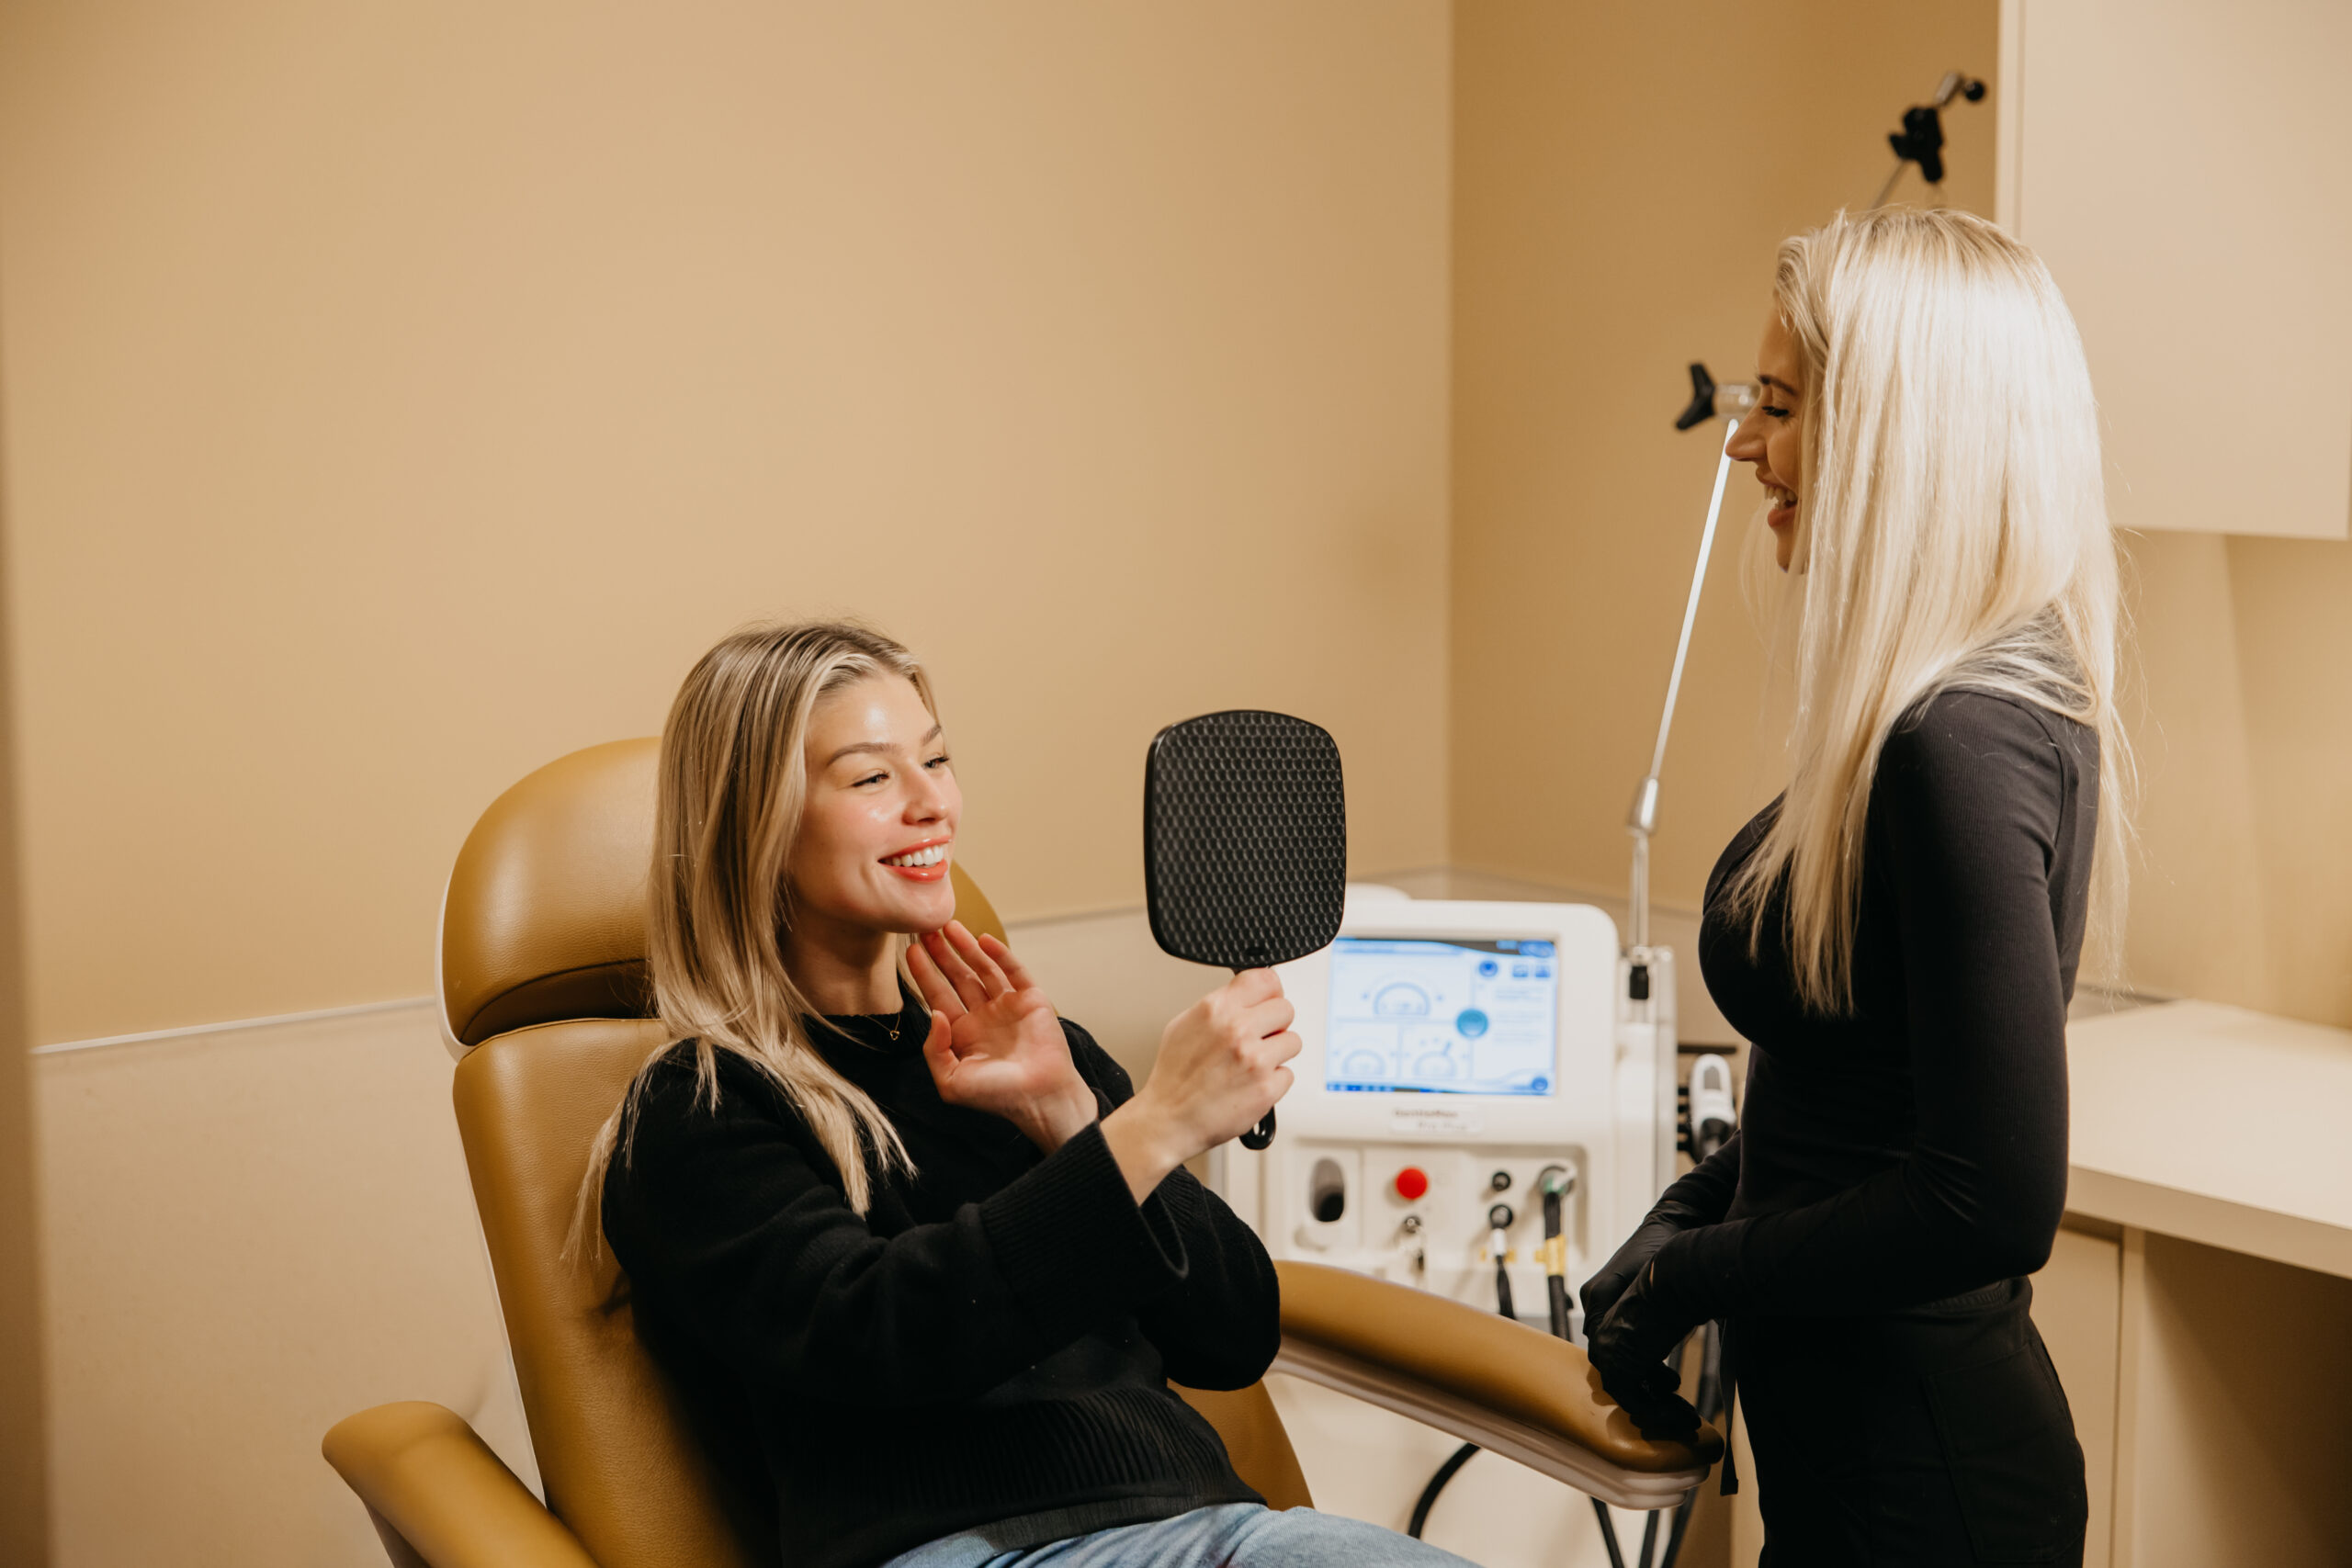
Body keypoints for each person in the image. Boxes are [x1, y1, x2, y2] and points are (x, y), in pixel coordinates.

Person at [582, 622, 1476, 1568]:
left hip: (1206, 1532)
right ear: (754, 824)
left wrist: (1070, 1118)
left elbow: (1234, 1336)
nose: (933, 803)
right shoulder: (698, 1109)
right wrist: (1146, 1132)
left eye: (936, 760)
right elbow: (881, 1336)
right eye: (873, 777)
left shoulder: (1036, 1057)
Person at [1577, 208, 2128, 1566]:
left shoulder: (1960, 738)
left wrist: (1691, 1275)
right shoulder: (1940, 710)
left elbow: (1989, 1199)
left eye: (1778, 406)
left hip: (1923, 1489)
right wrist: (1686, 1214)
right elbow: (1857, 1100)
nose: (1744, 443)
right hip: (1851, 1470)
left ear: (1898, 433)